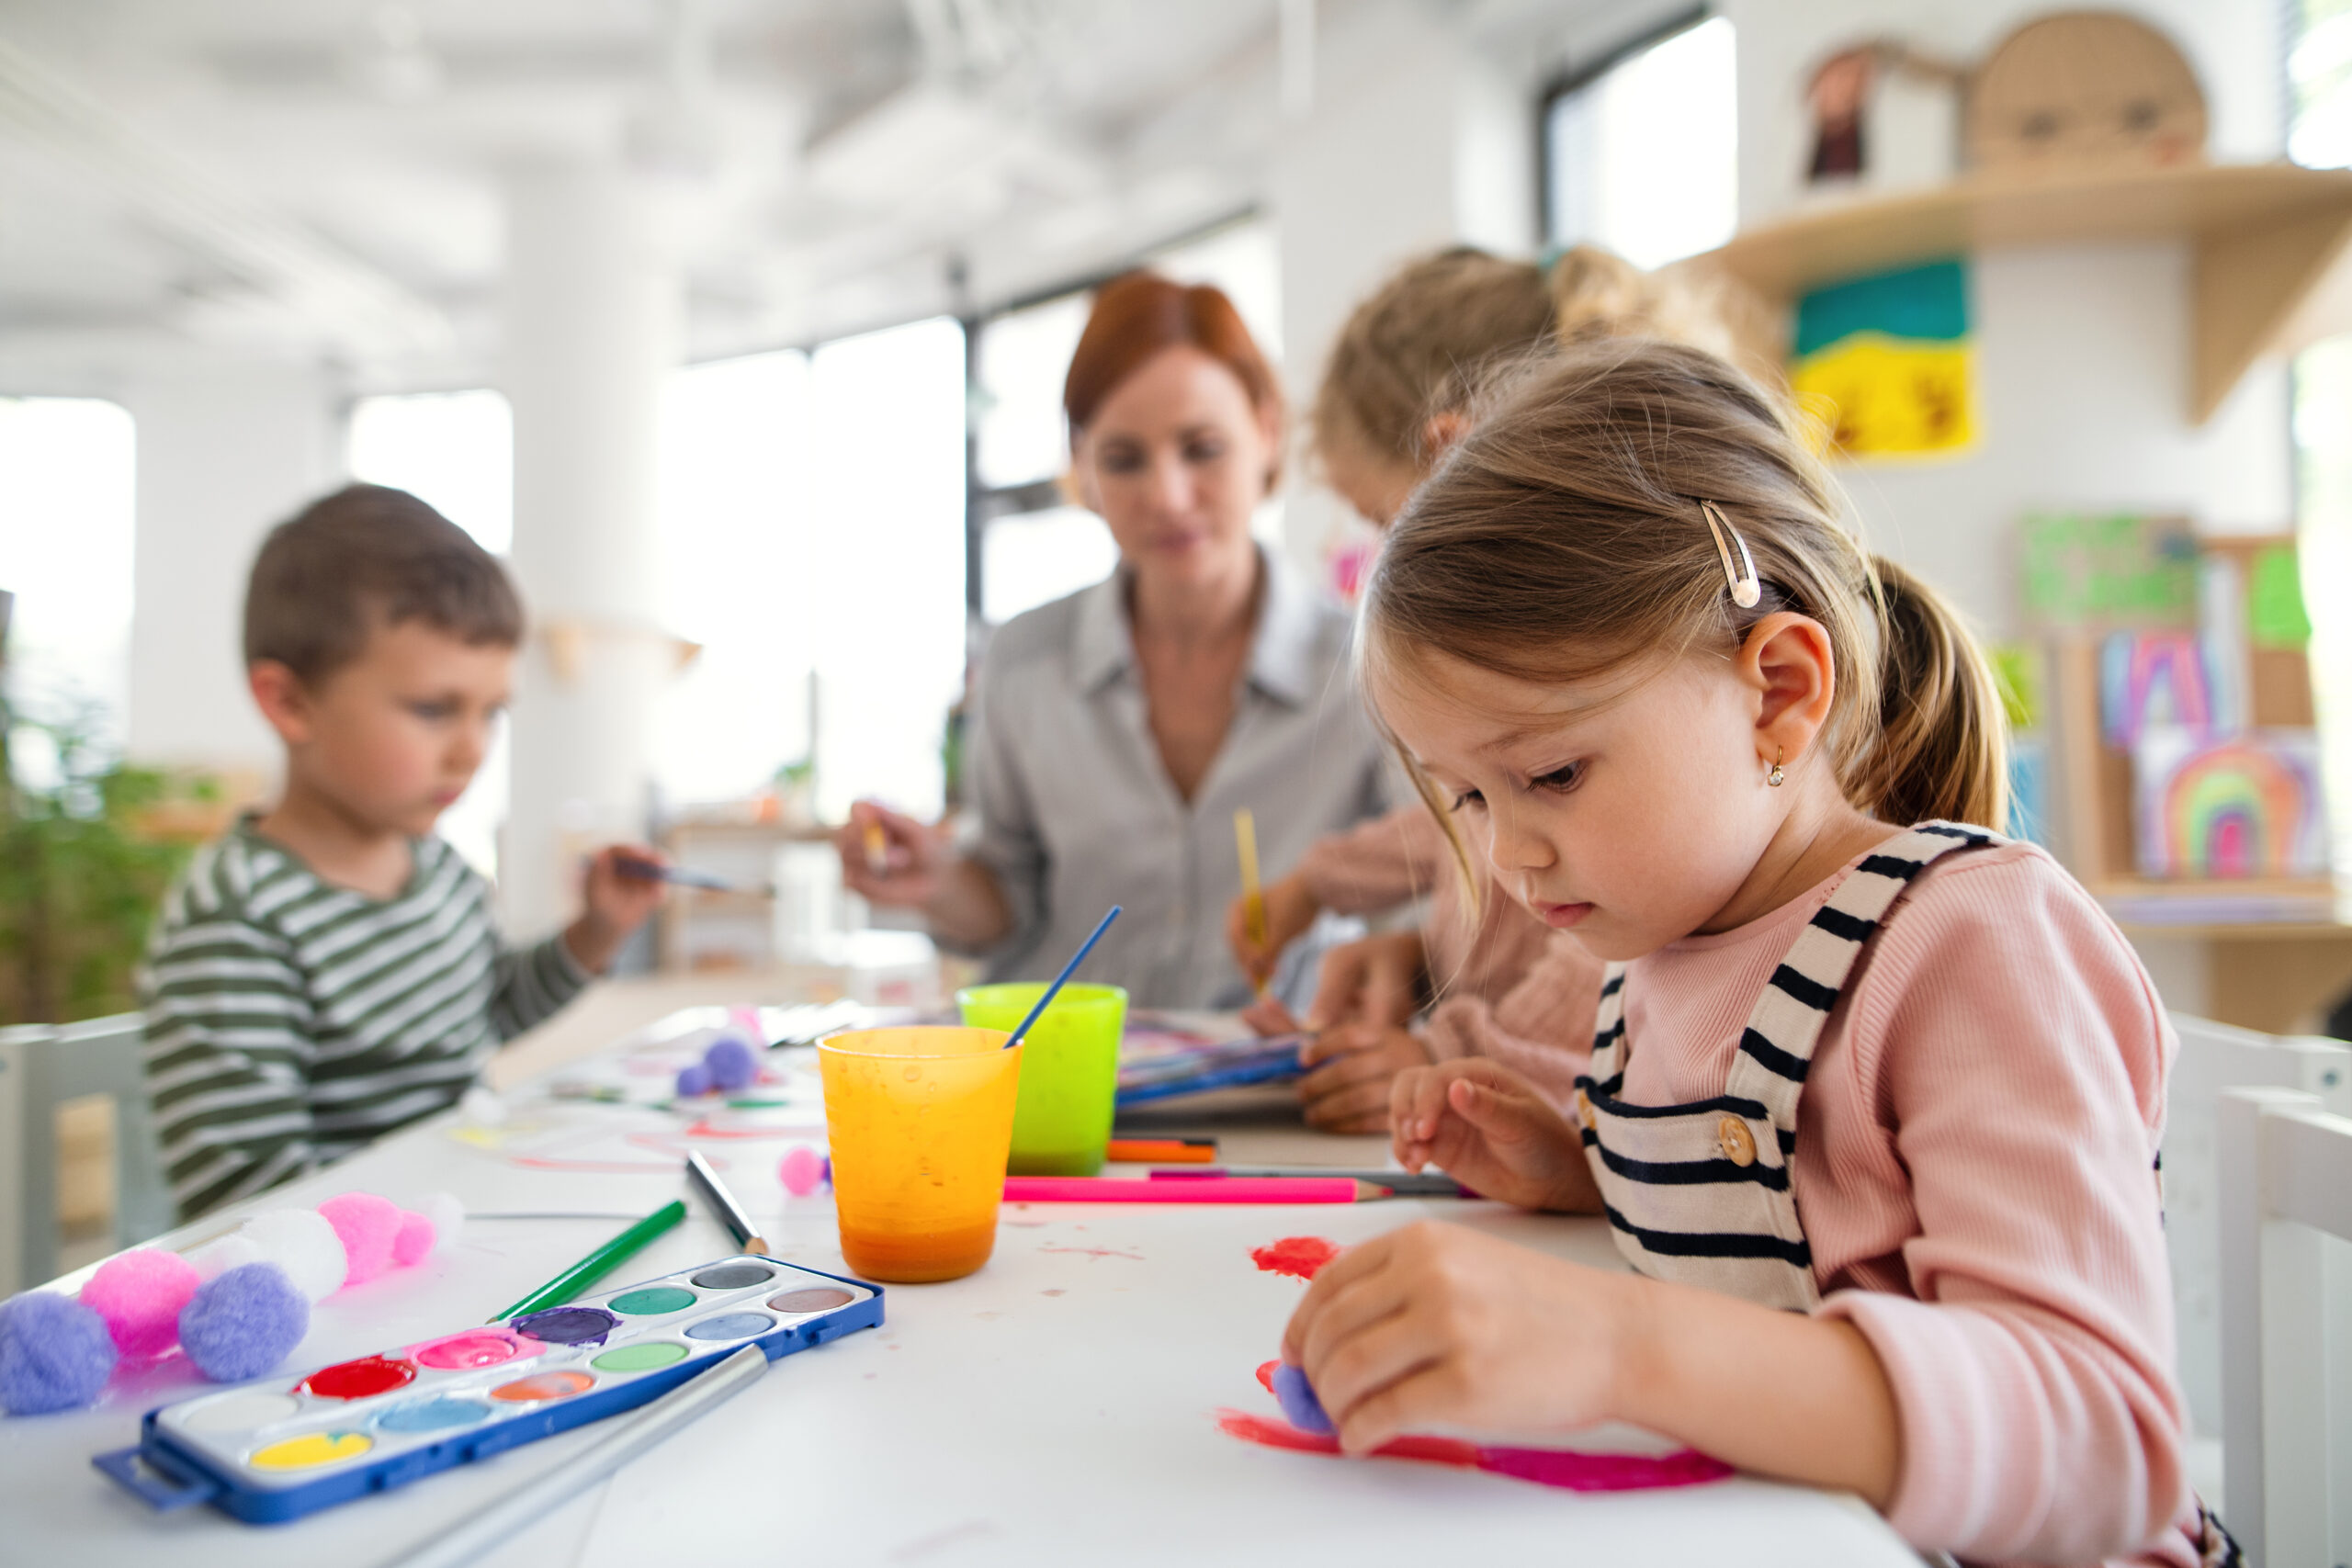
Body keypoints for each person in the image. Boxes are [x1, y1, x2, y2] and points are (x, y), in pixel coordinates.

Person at [1282, 342, 2216, 1565]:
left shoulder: (1970, 943)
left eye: (1551, 773)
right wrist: (1580, 1171)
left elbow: (2099, 1440)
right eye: (1464, 795)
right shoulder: (1662, 945)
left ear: (1777, 688)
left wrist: (1618, 1341)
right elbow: (1773, 1238)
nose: (1510, 852)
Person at [1228, 245, 1739, 1132]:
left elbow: (1620, 956)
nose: (1380, 568)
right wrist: (1400, 943)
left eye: (1389, 524)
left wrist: (1452, 1054)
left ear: (1453, 464)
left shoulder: (1600, 668)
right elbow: (1466, 824)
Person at [837, 273, 1389, 1009]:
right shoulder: (1025, 660)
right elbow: (1007, 902)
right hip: (1065, 1086)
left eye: (1202, 448)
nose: (1165, 494)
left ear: (1266, 434)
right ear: (1084, 467)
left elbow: (1420, 903)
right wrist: (936, 879)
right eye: (1124, 459)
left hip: (1280, 1084)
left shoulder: (1369, 666)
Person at [141, 486, 665, 1219]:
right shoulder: (237, 921)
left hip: (458, 1218)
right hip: (355, 1282)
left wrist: (597, 930)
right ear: (290, 703)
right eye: (433, 708)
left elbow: (489, 1009)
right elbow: (250, 1209)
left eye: (491, 713)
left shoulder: (441, 871)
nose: (471, 750)